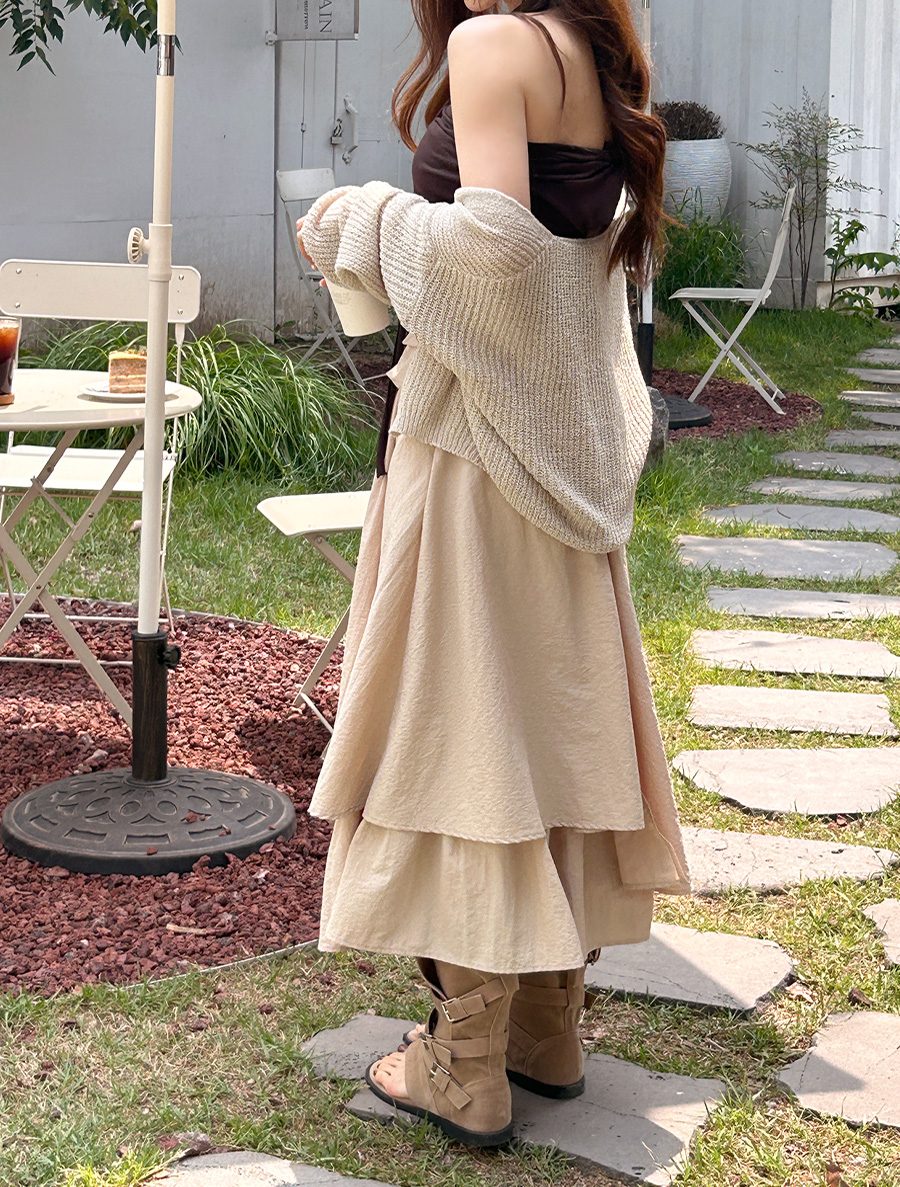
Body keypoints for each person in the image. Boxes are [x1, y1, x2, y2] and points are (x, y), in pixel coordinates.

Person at [298, 0, 691, 1149]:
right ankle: (542, 1026)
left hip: (479, 456)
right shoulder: (596, 52)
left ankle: (463, 1061)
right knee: (548, 734)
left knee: (462, 738)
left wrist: (360, 217)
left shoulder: (490, 44)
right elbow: (560, 255)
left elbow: (496, 261)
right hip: (560, 454)